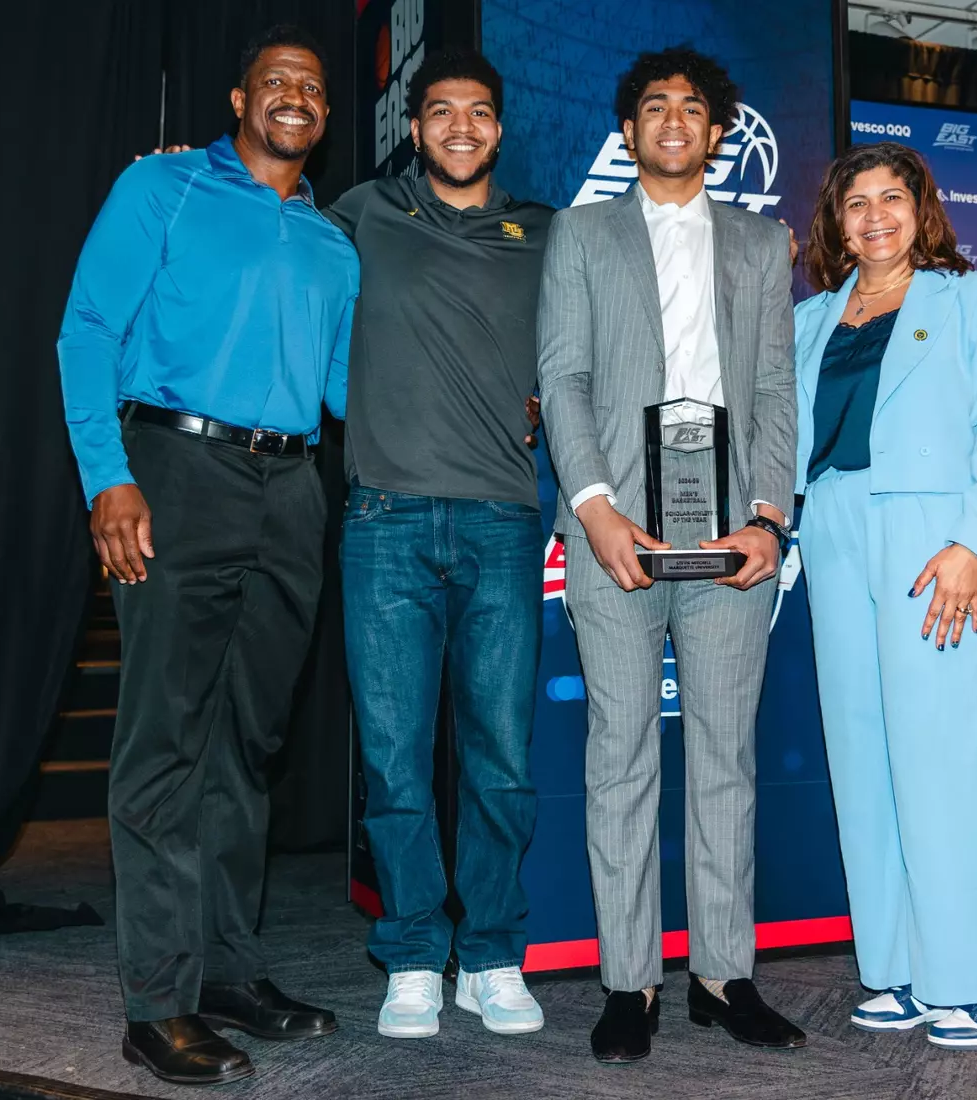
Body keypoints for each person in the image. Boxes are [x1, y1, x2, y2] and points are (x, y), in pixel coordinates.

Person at [57, 24, 356, 1086]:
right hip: (172, 472)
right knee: (166, 743)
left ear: (325, 116)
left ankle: (229, 972)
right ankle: (157, 1001)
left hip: (292, 491)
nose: (294, 97)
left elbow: (347, 392)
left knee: (247, 746)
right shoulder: (164, 189)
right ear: (238, 100)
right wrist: (108, 477)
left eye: (312, 89)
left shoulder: (332, 244)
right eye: (275, 82)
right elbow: (87, 327)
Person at [538, 46, 805, 1064]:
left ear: (719, 128)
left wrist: (770, 517)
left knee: (728, 754)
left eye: (693, 106)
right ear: (629, 129)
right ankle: (628, 984)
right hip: (617, 532)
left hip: (733, 531)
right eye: (655, 106)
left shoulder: (760, 241)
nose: (674, 119)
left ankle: (724, 975)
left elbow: (777, 391)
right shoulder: (582, 232)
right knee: (620, 756)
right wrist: (595, 507)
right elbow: (561, 377)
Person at [793, 141, 977, 1050]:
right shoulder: (810, 321)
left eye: (891, 199)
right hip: (831, 531)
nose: (874, 217)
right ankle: (912, 966)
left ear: (922, 209)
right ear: (835, 223)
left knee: (946, 758)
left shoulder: (973, 299)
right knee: (867, 760)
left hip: (930, 540)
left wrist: (973, 545)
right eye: (855, 204)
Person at [325, 50, 552, 1040]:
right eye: (441, 112)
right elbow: (267, 238)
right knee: (395, 757)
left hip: (504, 520)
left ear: (499, 130)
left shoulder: (547, 232)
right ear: (414, 128)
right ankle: (415, 952)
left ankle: (492, 953)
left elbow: (624, 314)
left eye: (480, 113)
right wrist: (188, 170)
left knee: (500, 756)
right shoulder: (364, 211)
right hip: (386, 524)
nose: (461, 127)